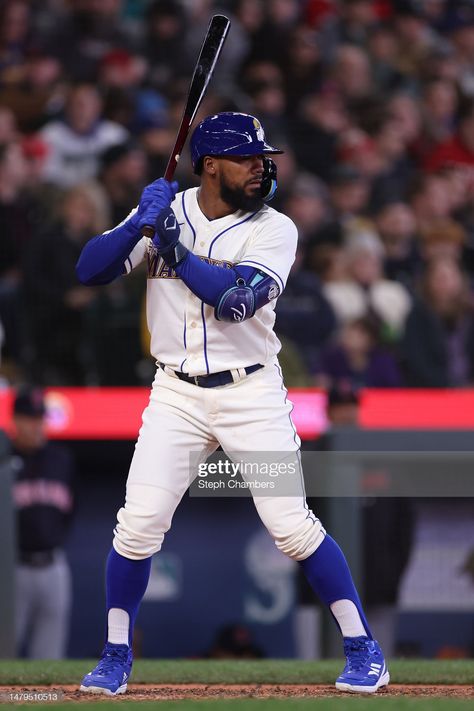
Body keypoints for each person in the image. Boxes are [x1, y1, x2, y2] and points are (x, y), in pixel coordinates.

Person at [76, 112, 389, 695]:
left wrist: (173, 246)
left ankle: (363, 646)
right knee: (138, 525)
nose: (261, 167)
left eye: (262, 158)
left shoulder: (276, 228)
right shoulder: (170, 210)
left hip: (252, 393)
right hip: (176, 395)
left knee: (291, 526)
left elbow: (236, 302)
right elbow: (89, 270)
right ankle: (115, 653)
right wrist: (137, 227)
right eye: (248, 159)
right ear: (211, 166)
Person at [9, 386, 75, 658]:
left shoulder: (60, 460)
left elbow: (71, 511)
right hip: (12, 568)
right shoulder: (3, 459)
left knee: (49, 655)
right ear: (15, 420)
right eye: (30, 419)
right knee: (5, 650)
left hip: (53, 564)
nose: (37, 426)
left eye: (40, 419)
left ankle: (45, 700)